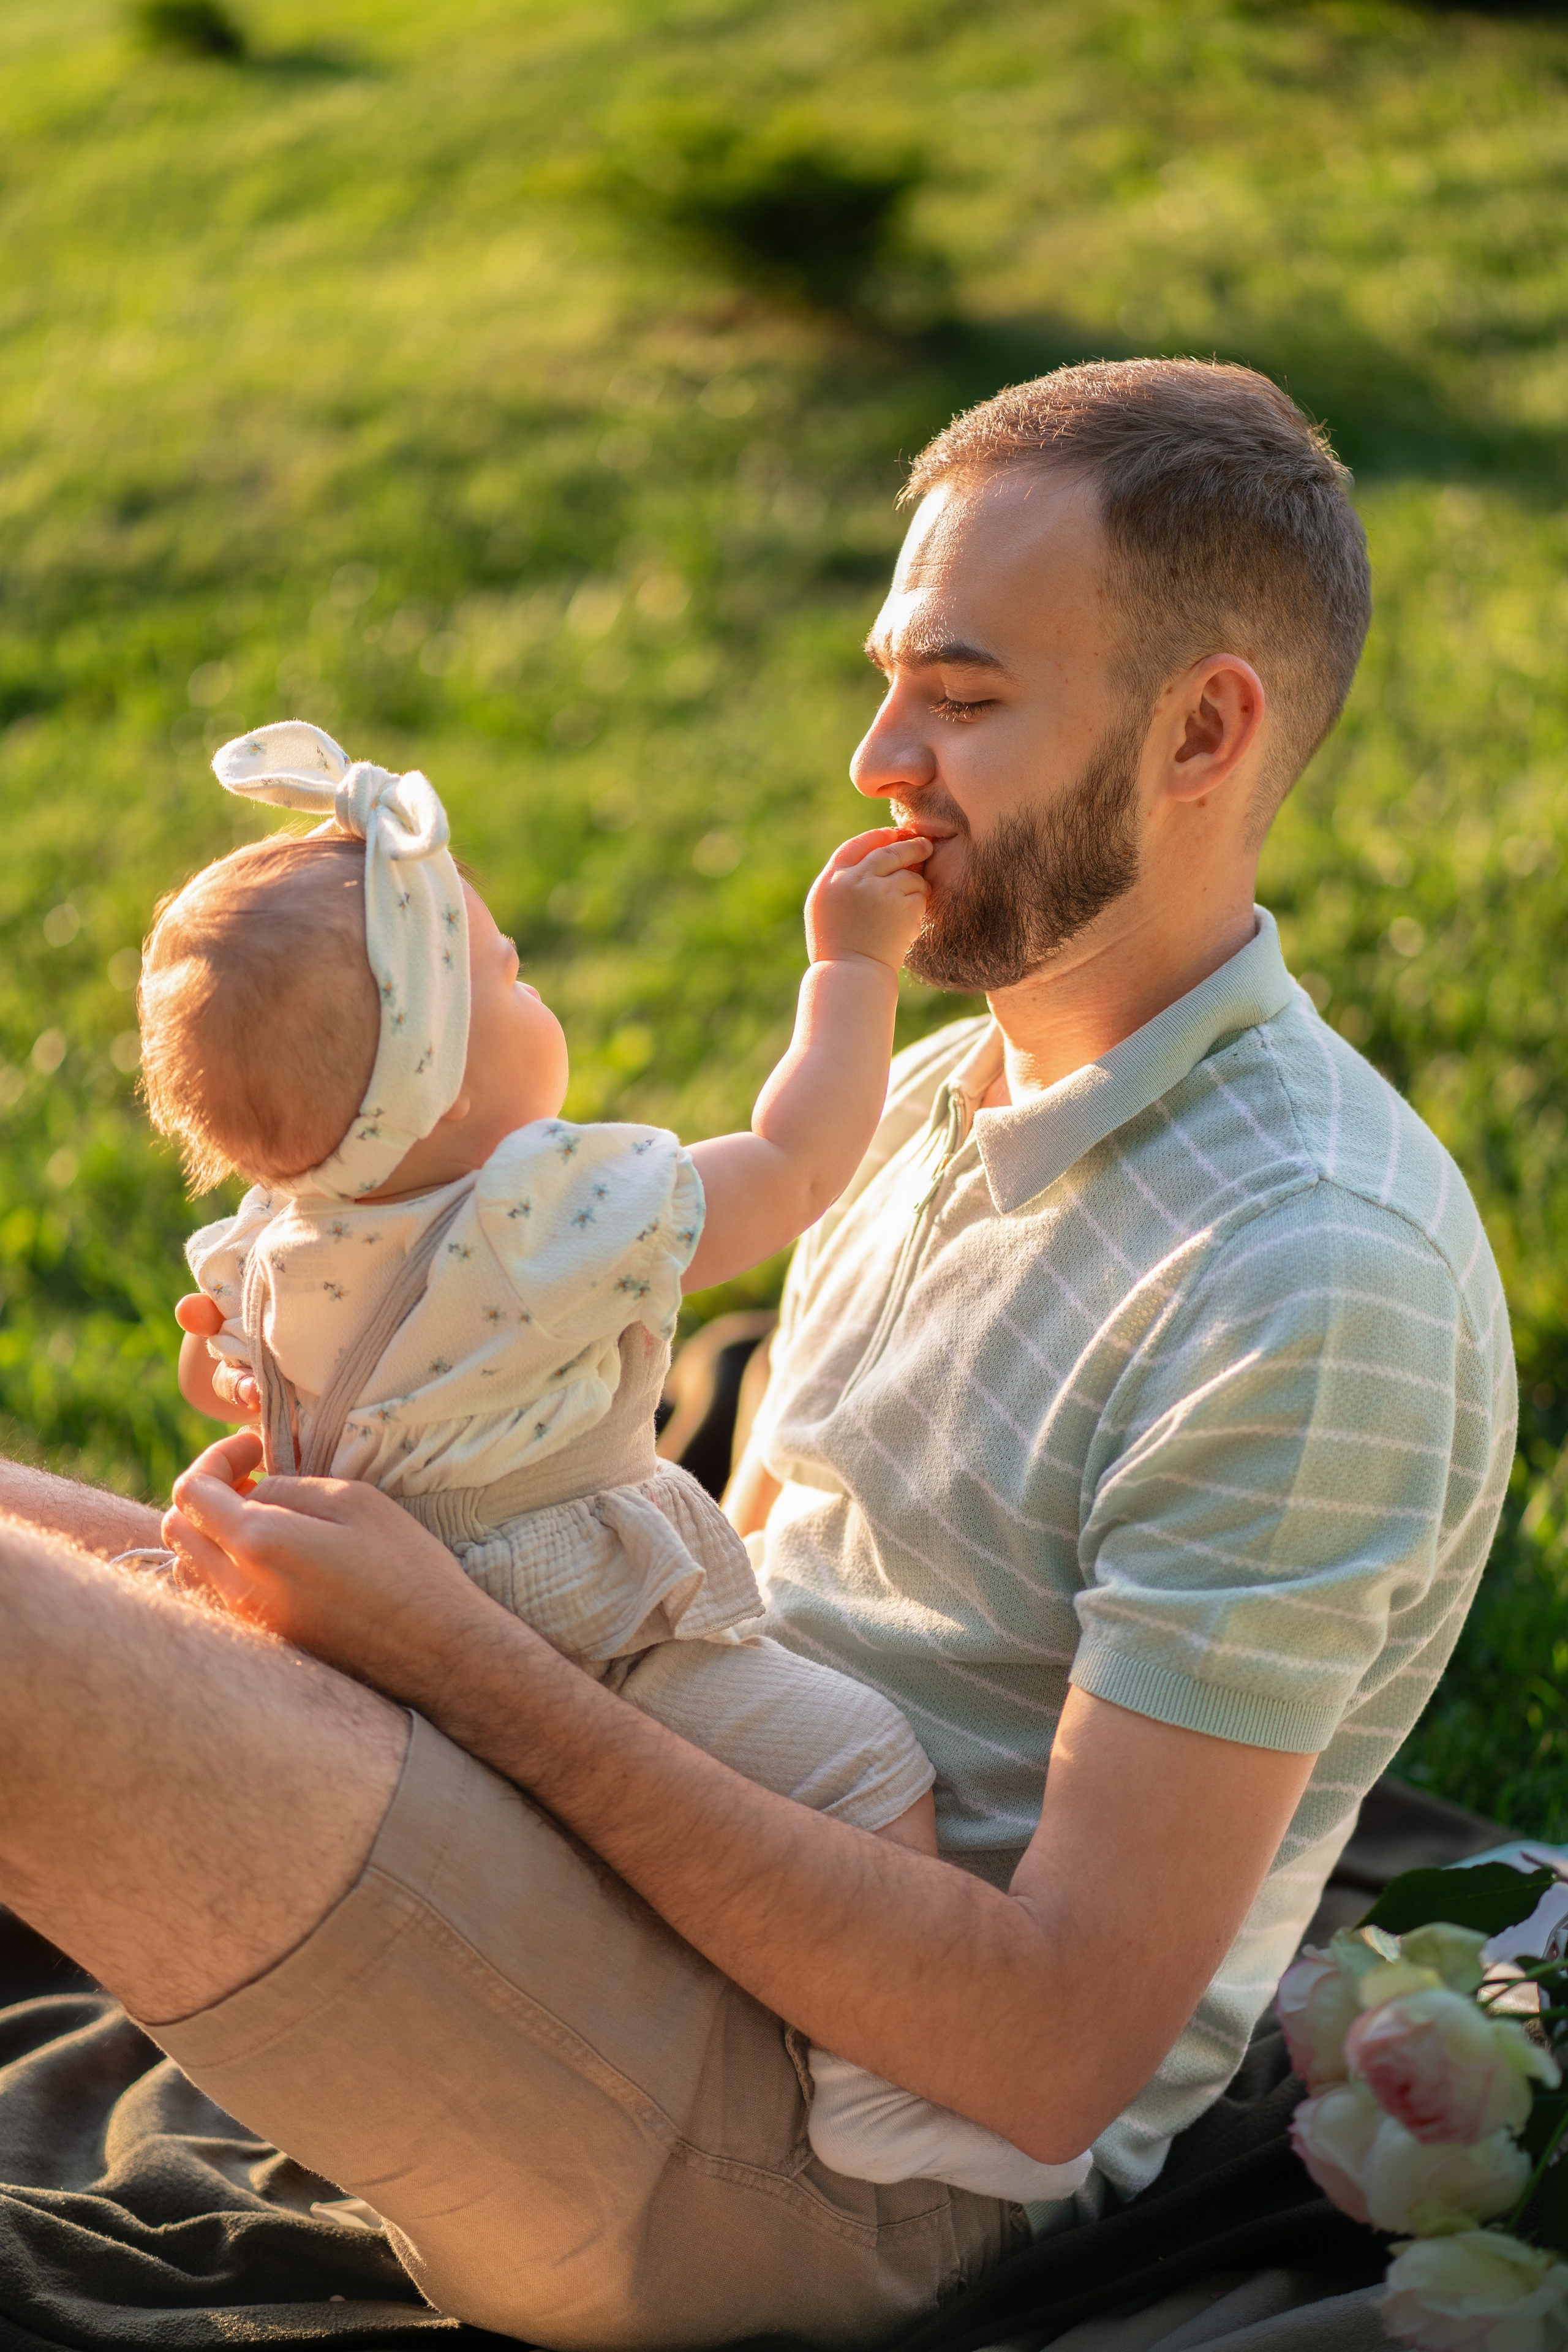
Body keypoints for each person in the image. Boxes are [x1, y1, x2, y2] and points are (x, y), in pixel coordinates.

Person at [0, 358, 1516, 2352]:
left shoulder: (1309, 1289)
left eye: (965, 699)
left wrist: (450, 1658)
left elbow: (1048, 2055)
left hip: (841, 2178)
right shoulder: (938, 1087)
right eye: (891, 677)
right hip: (650, 1860)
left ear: (1203, 731)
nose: (883, 754)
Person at [135, 717, 1085, 2206]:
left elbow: (244, 1376)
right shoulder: (546, 1213)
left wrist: (229, 1376)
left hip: (369, 1610)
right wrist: (848, 970)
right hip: (556, 1607)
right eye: (505, 969)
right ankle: (880, 2081)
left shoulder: (285, 1229)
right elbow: (794, 1163)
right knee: (853, 1760)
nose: (531, 972)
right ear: (442, 1088)